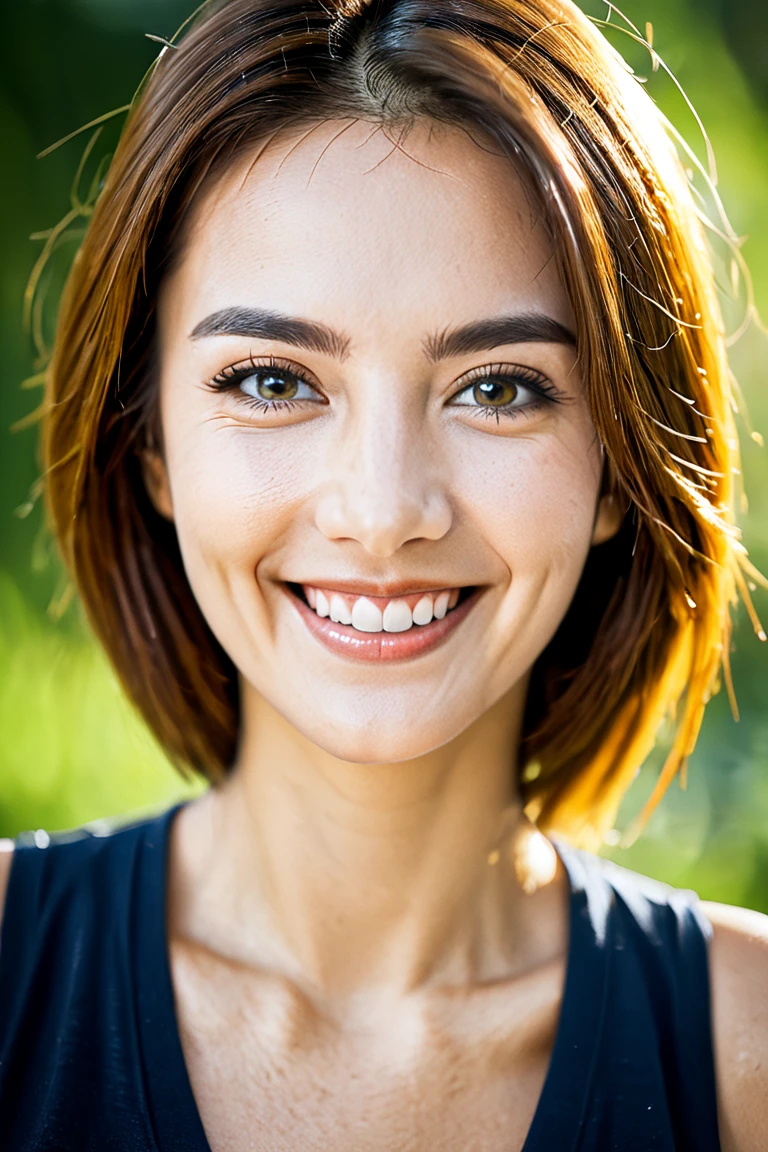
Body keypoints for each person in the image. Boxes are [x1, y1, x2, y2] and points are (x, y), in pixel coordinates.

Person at [0, 0, 766, 1147]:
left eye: (499, 388)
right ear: (149, 439)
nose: (382, 512)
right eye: (271, 380)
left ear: (619, 465)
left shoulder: (747, 1049)